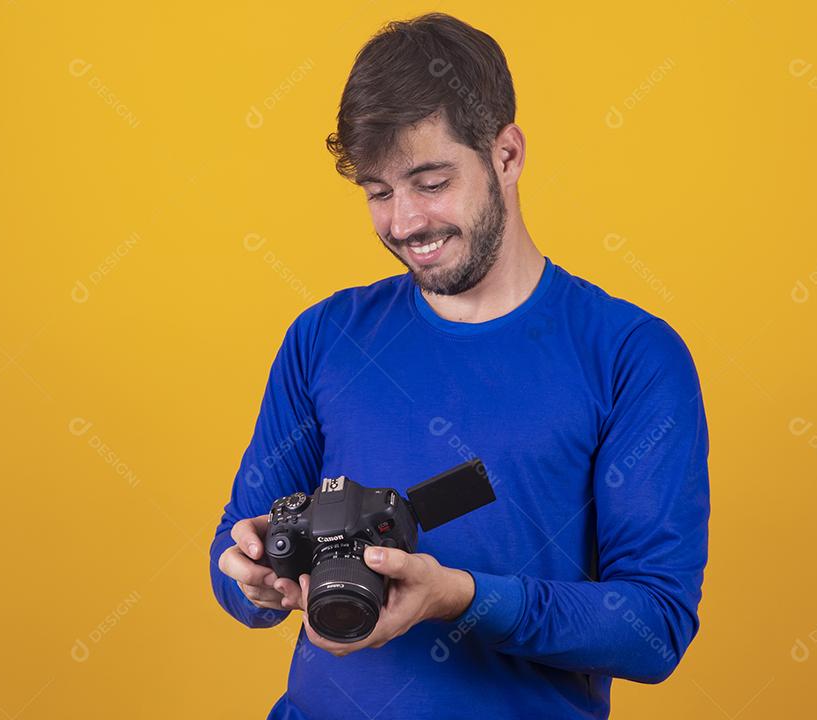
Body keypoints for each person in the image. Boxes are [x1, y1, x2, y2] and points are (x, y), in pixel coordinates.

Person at [211, 12, 709, 720]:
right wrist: (252, 580)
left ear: (506, 155)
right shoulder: (324, 335)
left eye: (431, 182)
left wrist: (463, 598)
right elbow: (235, 554)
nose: (405, 223)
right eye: (379, 193)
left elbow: (654, 627)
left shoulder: (631, 355)